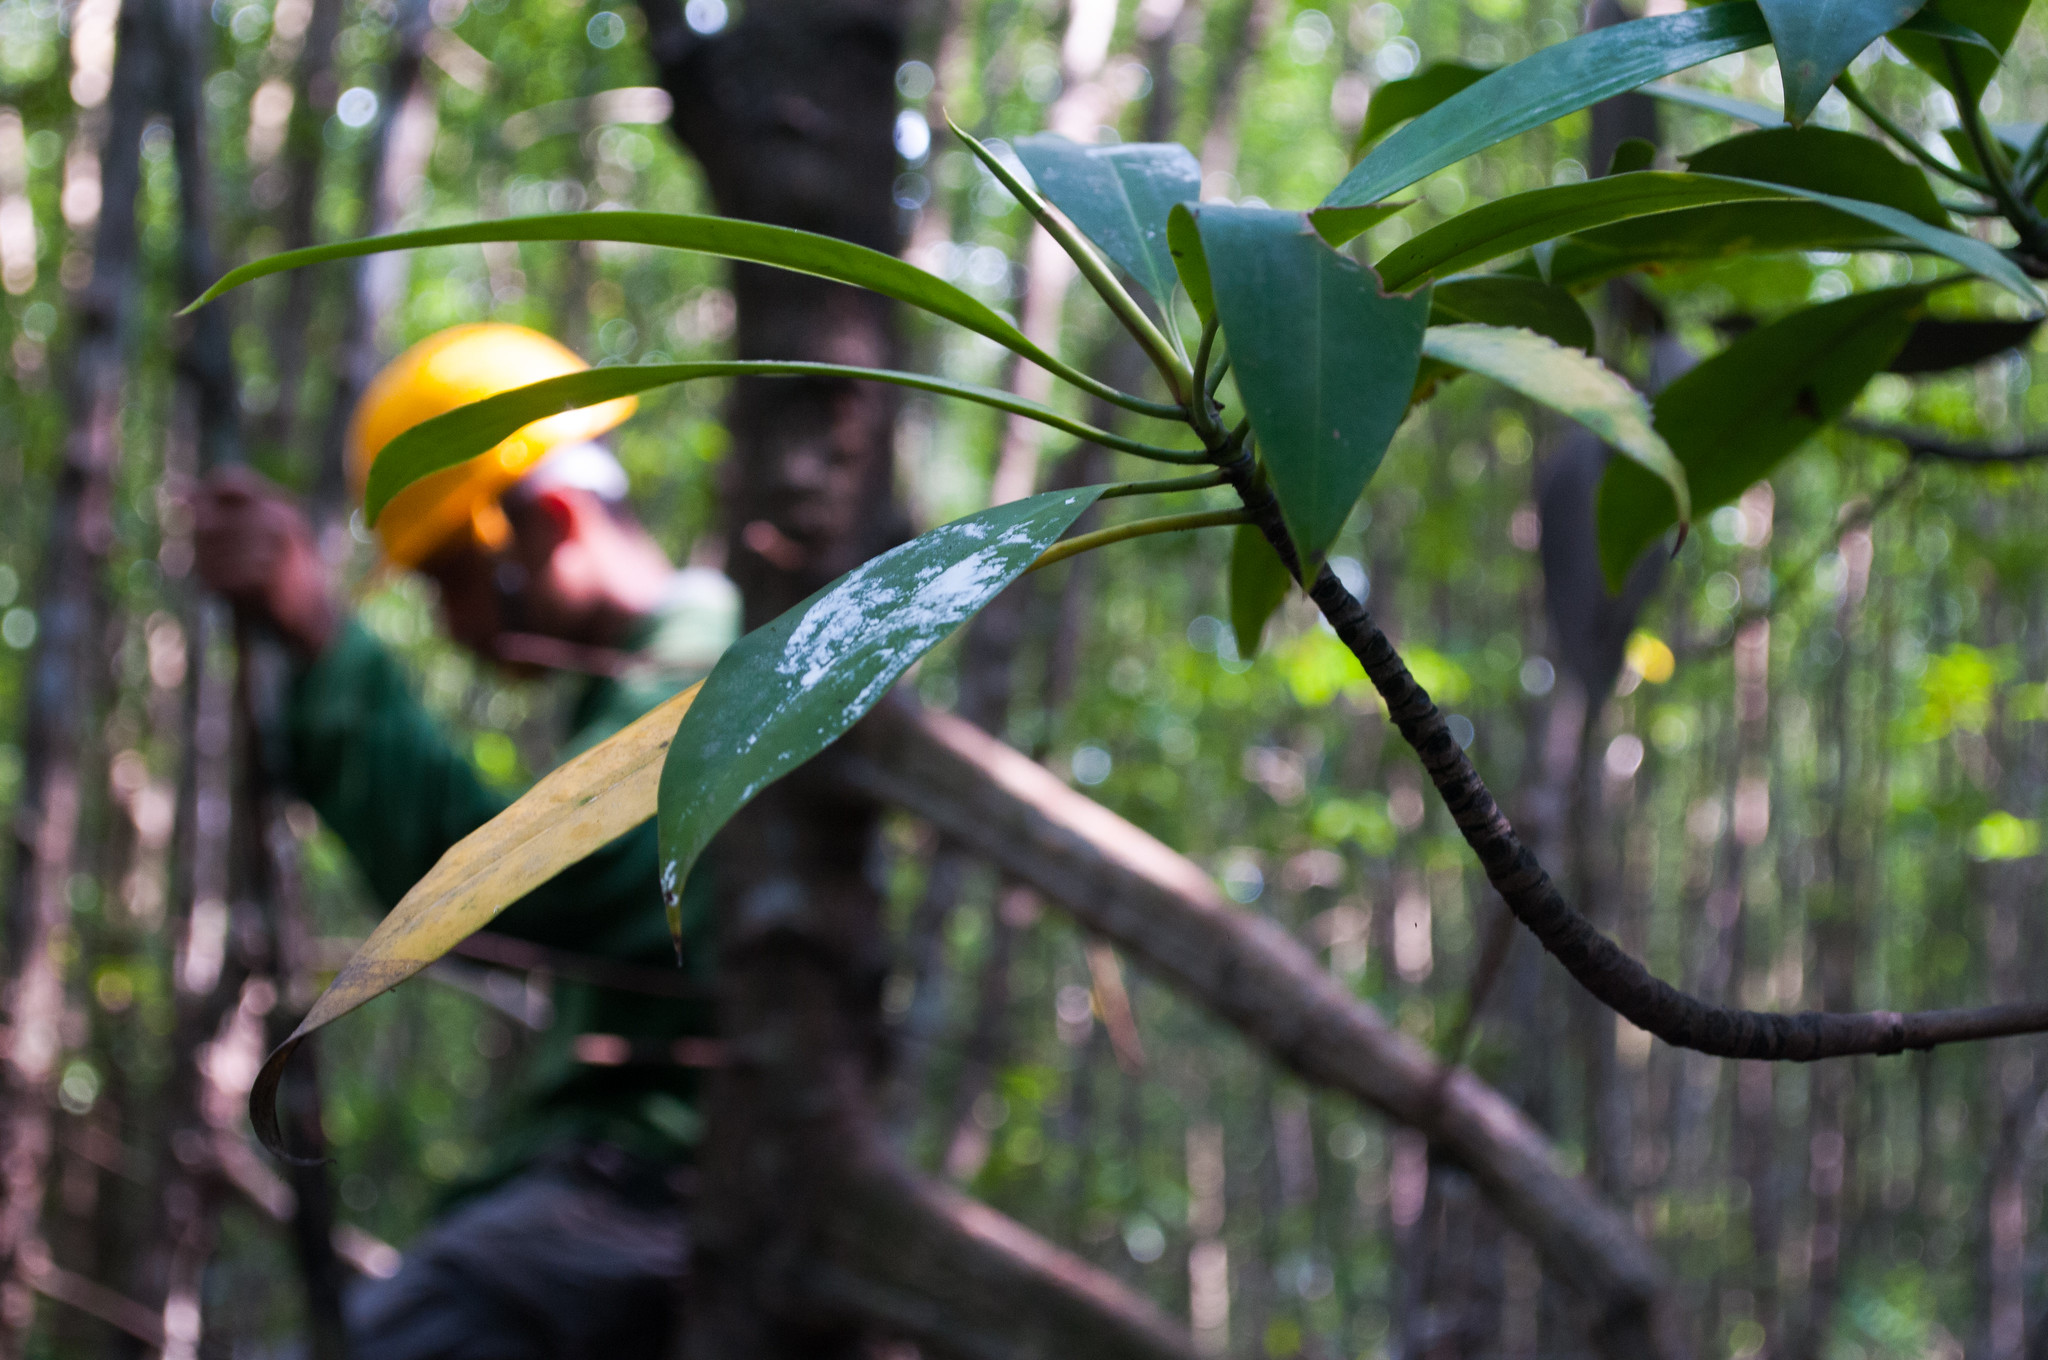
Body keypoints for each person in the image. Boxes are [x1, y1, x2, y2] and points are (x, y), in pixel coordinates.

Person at [196, 323, 740, 1360]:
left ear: (550, 520)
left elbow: (524, 884)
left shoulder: (710, 670)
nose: (449, 624)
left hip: (648, 1190)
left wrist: (326, 647)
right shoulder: (633, 690)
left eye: (452, 576)